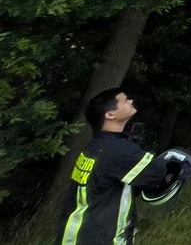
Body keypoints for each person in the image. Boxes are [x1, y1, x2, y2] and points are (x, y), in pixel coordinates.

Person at [58, 87, 174, 245]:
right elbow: (155, 172)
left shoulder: (95, 147)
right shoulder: (117, 150)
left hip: (76, 237)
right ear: (110, 115)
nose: (131, 101)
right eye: (125, 100)